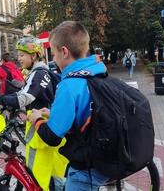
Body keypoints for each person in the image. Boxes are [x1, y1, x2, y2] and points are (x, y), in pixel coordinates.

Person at [28, 21, 110, 190]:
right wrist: (53, 113)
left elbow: (52, 137)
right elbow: (85, 110)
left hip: (87, 168)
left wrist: (37, 119)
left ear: (64, 52)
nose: (53, 59)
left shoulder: (69, 85)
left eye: (53, 53)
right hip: (106, 155)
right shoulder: (97, 71)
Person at [0, 37, 60, 190]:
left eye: (22, 55)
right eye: (18, 55)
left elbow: (23, 99)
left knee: (42, 174)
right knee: (43, 171)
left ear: (33, 56)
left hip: (42, 130)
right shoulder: (36, 72)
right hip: (42, 127)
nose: (18, 58)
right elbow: (22, 92)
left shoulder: (39, 74)